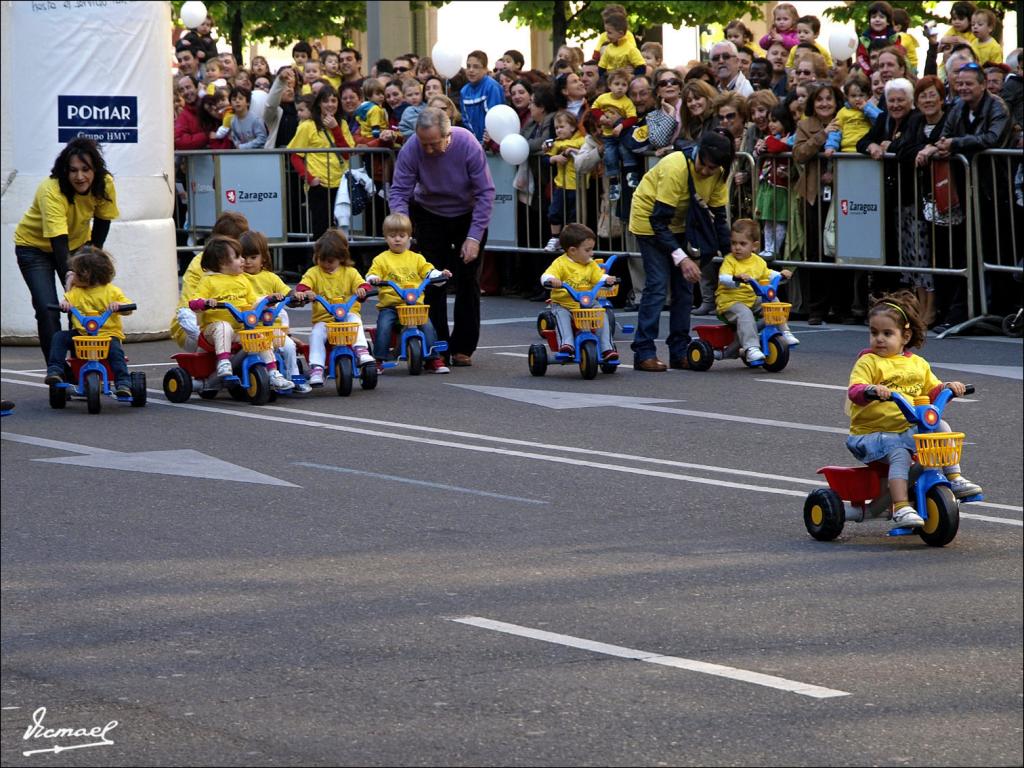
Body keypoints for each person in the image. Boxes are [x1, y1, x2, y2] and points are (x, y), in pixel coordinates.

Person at [845, 291, 982, 528]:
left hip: (904, 429)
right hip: (870, 434)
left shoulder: (917, 364)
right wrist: (871, 390)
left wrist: (950, 388)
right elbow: (855, 389)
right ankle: (900, 507)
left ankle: (954, 477)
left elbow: (933, 391)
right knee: (899, 453)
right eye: (874, 332)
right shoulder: (869, 362)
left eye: (887, 333)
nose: (879, 339)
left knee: (941, 426)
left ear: (905, 336)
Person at [388, 108, 495, 368]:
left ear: (448, 135)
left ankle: (463, 347)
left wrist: (474, 238)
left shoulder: (467, 143)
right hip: (429, 213)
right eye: (425, 144)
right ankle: (437, 346)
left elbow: (485, 192)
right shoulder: (413, 148)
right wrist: (402, 228)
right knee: (432, 280)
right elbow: (400, 191)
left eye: (435, 144)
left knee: (468, 280)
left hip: (466, 213)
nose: (430, 149)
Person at [628, 130, 733, 371]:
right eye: (703, 165)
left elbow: (718, 218)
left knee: (685, 289)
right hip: (649, 221)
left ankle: (679, 349)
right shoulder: (676, 166)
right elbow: (658, 221)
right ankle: (643, 351)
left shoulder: (719, 174)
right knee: (657, 284)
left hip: (680, 222)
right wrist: (682, 258)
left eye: (712, 168)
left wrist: (732, 258)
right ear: (697, 153)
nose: (706, 172)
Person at [15, 138, 118, 364]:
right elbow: (58, 242)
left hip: (77, 246)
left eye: (85, 169)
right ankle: (57, 369)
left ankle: (82, 364)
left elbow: (101, 225)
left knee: (83, 304)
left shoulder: (105, 183)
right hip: (34, 248)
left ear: (95, 170)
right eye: (73, 170)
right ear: (65, 171)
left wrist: (90, 266)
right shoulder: (51, 190)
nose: (80, 177)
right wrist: (71, 277)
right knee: (48, 308)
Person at [187, 236, 294, 391]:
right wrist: (204, 303)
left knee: (259, 336)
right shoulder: (209, 281)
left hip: (238, 330)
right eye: (237, 257)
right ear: (222, 262)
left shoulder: (242, 280)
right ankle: (223, 361)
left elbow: (253, 301)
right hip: (212, 332)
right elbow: (194, 302)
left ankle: (273, 373)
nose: (243, 260)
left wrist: (267, 300)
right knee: (224, 326)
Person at [366, 214, 453, 374]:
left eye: (402, 235)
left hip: (415, 306)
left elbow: (429, 272)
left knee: (428, 326)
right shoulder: (381, 259)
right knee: (384, 326)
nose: (397, 239)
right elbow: (371, 274)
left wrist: (440, 274)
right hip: (392, 305)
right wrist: (374, 279)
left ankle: (433, 359)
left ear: (409, 237)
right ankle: (379, 360)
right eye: (392, 236)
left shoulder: (417, 258)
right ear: (386, 238)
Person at [43, 246, 134, 397]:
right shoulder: (76, 292)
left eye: (76, 273)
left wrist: (119, 306)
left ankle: (123, 383)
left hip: (107, 336)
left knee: (116, 352)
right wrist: (65, 304)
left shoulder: (112, 291)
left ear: (88, 274)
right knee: (59, 337)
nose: (72, 275)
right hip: (81, 335)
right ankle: (55, 370)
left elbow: (128, 309)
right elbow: (67, 300)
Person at [294, 228, 375, 385]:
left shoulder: (350, 272)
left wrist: (362, 290)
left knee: (355, 319)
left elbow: (364, 285)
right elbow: (302, 286)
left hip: (346, 317)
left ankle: (361, 350)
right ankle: (317, 368)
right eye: (321, 260)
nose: (325, 264)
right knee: (316, 334)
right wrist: (306, 292)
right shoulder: (314, 272)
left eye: (330, 261)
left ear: (341, 257)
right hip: (325, 320)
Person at [716, 218, 799, 364]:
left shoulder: (758, 261)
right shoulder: (730, 260)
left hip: (751, 299)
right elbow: (723, 277)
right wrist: (736, 278)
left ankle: (784, 331)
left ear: (754, 246)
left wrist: (781, 274)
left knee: (774, 302)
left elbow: (767, 273)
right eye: (734, 243)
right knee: (745, 313)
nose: (737, 247)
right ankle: (751, 348)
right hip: (730, 302)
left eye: (742, 244)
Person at [239, 230, 310, 394]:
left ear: (263, 257)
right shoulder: (238, 279)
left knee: (290, 346)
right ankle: (267, 376)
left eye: (253, 257)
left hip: (274, 329)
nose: (248, 262)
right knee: (261, 349)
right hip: (252, 329)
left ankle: (295, 377)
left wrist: (296, 296)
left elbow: (287, 293)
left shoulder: (270, 277)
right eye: (244, 257)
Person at [540, 223, 619, 359]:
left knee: (602, 314)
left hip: (588, 303)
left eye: (591, 250)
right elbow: (546, 276)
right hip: (564, 304)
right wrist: (552, 280)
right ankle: (566, 344)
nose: (591, 254)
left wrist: (608, 280)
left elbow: (599, 277)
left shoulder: (591, 264)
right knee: (562, 316)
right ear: (572, 250)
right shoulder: (561, 264)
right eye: (587, 250)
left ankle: (607, 347)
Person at [287, 84, 354, 244]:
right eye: (326, 101)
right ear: (319, 104)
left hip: (340, 184)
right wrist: (309, 178)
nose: (330, 104)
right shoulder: (307, 126)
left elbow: (346, 153)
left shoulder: (342, 124)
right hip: (319, 185)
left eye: (333, 100)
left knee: (341, 230)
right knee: (321, 230)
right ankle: (318, 265)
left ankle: (340, 263)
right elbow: (294, 156)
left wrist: (335, 129)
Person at [754, 102, 796, 260]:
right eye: (770, 120)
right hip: (767, 185)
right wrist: (760, 146)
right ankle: (768, 247)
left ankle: (776, 249)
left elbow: (776, 147)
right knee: (767, 219)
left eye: (775, 120)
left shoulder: (791, 138)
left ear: (785, 121)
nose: (771, 124)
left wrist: (767, 142)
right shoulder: (773, 138)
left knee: (778, 220)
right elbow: (759, 151)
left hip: (781, 187)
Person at [591, 67, 638, 199]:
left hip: (622, 135)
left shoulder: (627, 102)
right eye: (617, 84)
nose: (620, 88)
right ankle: (613, 182)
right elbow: (594, 108)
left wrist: (621, 126)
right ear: (610, 85)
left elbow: (632, 117)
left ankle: (631, 173)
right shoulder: (603, 98)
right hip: (608, 136)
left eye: (624, 85)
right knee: (610, 156)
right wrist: (600, 117)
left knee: (625, 151)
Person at [543, 110, 586, 252]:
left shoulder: (582, 140)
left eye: (561, 127)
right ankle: (555, 238)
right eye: (556, 128)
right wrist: (553, 158)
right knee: (554, 212)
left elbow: (587, 153)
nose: (558, 130)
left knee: (574, 217)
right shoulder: (555, 143)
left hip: (578, 186)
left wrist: (572, 150)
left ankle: (569, 242)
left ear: (572, 127)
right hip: (561, 184)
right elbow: (545, 157)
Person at [825, 72, 883, 155]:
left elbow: (881, 121)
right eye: (853, 96)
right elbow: (835, 131)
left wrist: (867, 108)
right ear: (847, 97)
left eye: (861, 95)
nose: (857, 99)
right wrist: (831, 146)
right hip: (847, 151)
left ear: (868, 96)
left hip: (867, 151)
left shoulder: (871, 108)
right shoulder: (842, 112)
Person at [460, 50, 506, 143]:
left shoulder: (492, 87)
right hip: (473, 143)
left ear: (485, 69)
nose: (471, 70)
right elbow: (465, 120)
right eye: (468, 66)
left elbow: (495, 118)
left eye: (476, 67)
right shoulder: (464, 91)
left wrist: (487, 141)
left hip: (493, 143)